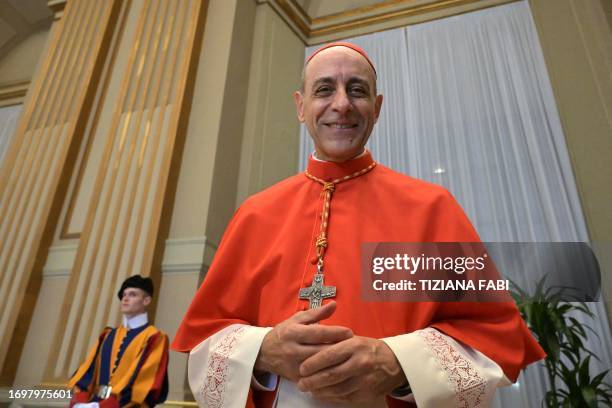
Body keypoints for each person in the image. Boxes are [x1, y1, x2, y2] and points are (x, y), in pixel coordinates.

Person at [172, 42, 545, 407]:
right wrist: (262, 351)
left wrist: (396, 362)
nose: (341, 104)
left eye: (357, 90)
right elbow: (205, 340)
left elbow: (492, 337)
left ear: (377, 107)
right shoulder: (255, 214)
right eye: (323, 89)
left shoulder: (431, 208)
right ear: (301, 107)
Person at [68, 275, 169, 407]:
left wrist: (103, 406)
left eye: (132, 295)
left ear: (146, 300)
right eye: (124, 295)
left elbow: (144, 384)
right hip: (93, 403)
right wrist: (80, 402)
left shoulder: (154, 337)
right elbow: (87, 374)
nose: (125, 299)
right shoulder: (107, 335)